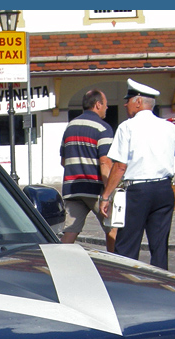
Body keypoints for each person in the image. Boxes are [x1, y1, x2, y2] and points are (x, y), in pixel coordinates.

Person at [99, 79, 175, 270]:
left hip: (138, 191)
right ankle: (160, 284)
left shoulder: (127, 127)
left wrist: (106, 195)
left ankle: (124, 284)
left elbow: (120, 166)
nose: (125, 104)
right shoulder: (169, 127)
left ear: (138, 102)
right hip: (163, 189)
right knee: (159, 245)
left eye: (129, 100)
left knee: (127, 244)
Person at [59, 88, 115, 252]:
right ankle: (115, 264)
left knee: (70, 230)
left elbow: (64, 160)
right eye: (105, 105)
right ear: (98, 105)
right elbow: (104, 162)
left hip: (72, 188)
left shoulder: (70, 127)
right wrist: (108, 193)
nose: (107, 108)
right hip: (95, 188)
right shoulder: (103, 128)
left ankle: (59, 262)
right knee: (112, 227)